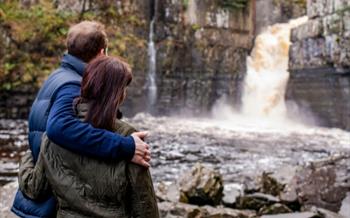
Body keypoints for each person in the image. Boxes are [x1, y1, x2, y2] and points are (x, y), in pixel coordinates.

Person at [11, 21, 151, 218]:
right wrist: (125, 146)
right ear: (102, 53)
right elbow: (59, 127)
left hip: (49, 177)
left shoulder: (57, 77)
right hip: (58, 192)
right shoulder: (72, 86)